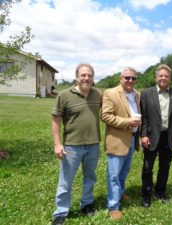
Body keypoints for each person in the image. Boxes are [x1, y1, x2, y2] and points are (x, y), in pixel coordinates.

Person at [51, 63, 102, 225]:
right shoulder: (65, 95)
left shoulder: (98, 95)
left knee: (90, 177)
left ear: (93, 78)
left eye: (89, 76)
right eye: (83, 75)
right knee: (66, 180)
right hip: (72, 146)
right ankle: (61, 212)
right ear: (77, 77)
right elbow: (56, 120)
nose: (86, 78)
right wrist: (57, 144)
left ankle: (86, 204)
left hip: (93, 144)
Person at [140, 64, 172, 208]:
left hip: (169, 136)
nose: (163, 78)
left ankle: (160, 191)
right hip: (151, 137)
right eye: (161, 76)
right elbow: (144, 116)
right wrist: (143, 134)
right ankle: (146, 194)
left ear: (170, 78)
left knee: (165, 166)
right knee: (148, 167)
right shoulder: (146, 93)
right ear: (156, 77)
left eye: (166, 76)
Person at [101, 67, 141, 220]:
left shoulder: (137, 94)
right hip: (117, 139)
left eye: (133, 78)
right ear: (120, 78)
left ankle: (120, 193)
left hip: (132, 138)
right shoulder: (110, 93)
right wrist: (127, 122)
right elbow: (105, 115)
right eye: (127, 78)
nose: (130, 81)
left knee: (123, 171)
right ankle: (113, 205)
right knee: (114, 174)